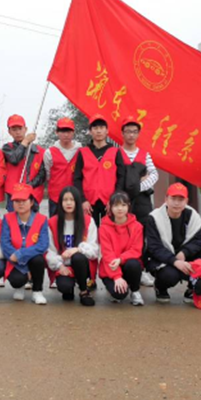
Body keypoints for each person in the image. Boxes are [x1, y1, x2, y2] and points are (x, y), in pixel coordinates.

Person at [146, 183, 201, 304]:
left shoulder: (192, 215)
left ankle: (191, 288)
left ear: (186, 201)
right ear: (166, 199)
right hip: (164, 260)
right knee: (170, 276)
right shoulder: (154, 218)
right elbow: (154, 247)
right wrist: (175, 261)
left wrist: (185, 252)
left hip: (185, 256)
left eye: (181, 199)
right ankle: (160, 288)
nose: (176, 203)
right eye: (173, 199)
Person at [119, 115, 158, 287]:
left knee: (141, 236)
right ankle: (121, 269)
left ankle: (141, 270)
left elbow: (154, 174)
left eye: (134, 131)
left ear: (138, 134)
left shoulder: (145, 154)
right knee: (122, 235)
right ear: (122, 133)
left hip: (142, 201)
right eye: (128, 131)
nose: (131, 135)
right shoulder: (116, 154)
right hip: (122, 202)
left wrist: (138, 188)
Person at [46, 186, 98, 306]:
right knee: (65, 289)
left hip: (82, 263)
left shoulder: (88, 221)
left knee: (78, 257)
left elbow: (94, 250)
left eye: (72, 199)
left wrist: (77, 249)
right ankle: (68, 287)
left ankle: (84, 291)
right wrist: (60, 266)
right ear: (60, 202)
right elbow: (49, 251)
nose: (68, 203)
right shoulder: (52, 222)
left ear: (77, 202)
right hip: (64, 265)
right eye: (65, 200)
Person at [73, 114, 125, 228]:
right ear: (90, 131)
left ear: (107, 131)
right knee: (89, 235)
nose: (98, 131)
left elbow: (121, 177)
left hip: (109, 202)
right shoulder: (83, 152)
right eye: (95, 128)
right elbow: (77, 178)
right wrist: (82, 200)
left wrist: (114, 200)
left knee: (110, 233)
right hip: (89, 203)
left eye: (101, 128)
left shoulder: (115, 152)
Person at [1, 184, 49, 305]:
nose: (20, 204)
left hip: (31, 258)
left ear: (32, 202)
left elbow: (43, 244)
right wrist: (16, 257)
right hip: (14, 261)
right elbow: (5, 242)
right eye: (17, 201)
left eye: (24, 200)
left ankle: (37, 291)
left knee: (38, 260)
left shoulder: (42, 219)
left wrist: (21, 254)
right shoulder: (7, 218)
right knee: (17, 280)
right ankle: (20, 287)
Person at [98, 191, 145, 306]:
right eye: (116, 205)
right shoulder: (104, 228)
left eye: (123, 205)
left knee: (134, 264)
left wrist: (121, 259)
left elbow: (136, 250)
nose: (120, 209)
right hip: (110, 268)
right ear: (110, 207)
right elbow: (107, 254)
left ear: (129, 206)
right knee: (119, 295)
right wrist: (117, 277)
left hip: (128, 264)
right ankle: (116, 288)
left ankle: (135, 291)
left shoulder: (137, 227)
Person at [2, 114, 46, 213]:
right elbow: (14, 159)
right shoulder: (7, 148)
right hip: (13, 194)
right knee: (13, 225)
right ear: (9, 132)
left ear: (25, 129)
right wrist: (25, 141)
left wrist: (29, 186)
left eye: (20, 128)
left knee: (33, 226)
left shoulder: (40, 151)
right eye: (14, 129)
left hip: (32, 195)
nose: (17, 132)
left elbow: (42, 175)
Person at [43, 117, 82, 217]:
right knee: (55, 226)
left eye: (69, 131)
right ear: (56, 132)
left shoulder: (81, 150)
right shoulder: (49, 152)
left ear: (73, 132)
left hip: (76, 196)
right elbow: (47, 174)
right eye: (62, 131)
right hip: (56, 197)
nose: (66, 134)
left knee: (76, 227)